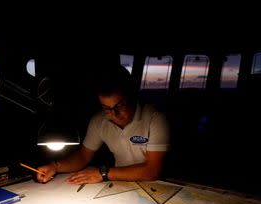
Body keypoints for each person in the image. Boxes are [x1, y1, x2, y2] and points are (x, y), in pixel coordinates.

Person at [36, 65, 170, 185]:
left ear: (132, 97)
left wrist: (103, 173)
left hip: (157, 186)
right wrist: (55, 166)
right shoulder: (99, 120)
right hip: (122, 184)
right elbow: (83, 156)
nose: (114, 114)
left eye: (120, 105)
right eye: (107, 108)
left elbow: (152, 171)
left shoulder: (155, 119)